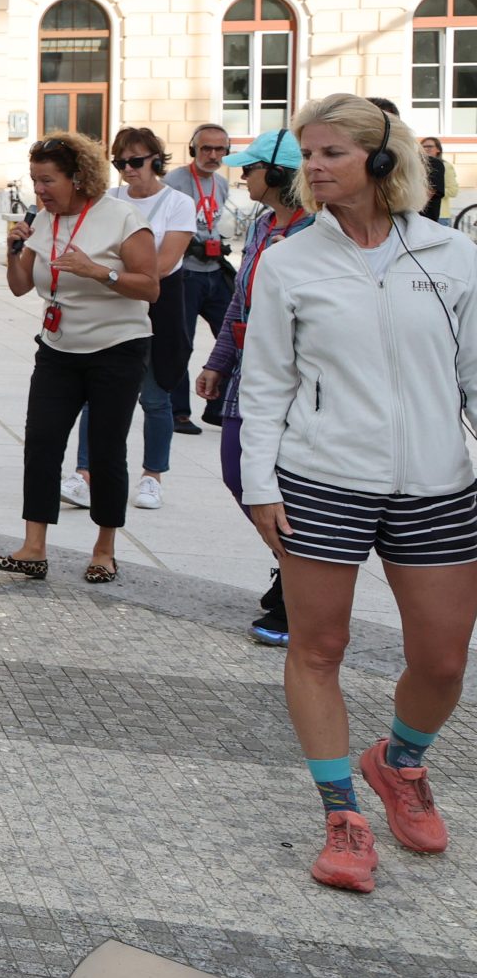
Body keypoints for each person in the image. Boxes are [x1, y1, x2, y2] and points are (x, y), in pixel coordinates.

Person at [236, 94, 477, 894]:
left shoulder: (450, 254)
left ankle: (399, 761)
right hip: (323, 480)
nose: (313, 166)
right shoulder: (290, 259)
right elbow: (265, 382)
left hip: (437, 484)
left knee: (443, 659)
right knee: (317, 648)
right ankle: (341, 812)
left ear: (381, 160)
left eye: (332, 152)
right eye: (308, 153)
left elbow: (473, 377)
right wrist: (260, 483)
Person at [0, 131, 162, 586]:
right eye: (35, 180)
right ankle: (34, 547)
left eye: (48, 180)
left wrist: (99, 271)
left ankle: (104, 550)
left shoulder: (121, 217)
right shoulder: (44, 220)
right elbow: (18, 286)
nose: (40, 190)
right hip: (57, 348)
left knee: (107, 449)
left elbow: (149, 286)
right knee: (42, 442)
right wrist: (13, 253)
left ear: (78, 177)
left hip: (117, 349)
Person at [193, 128, 312, 646]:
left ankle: (300, 592)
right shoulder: (264, 225)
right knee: (238, 471)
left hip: (294, 378)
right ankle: (293, 568)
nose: (241, 175)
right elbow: (239, 301)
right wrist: (218, 362)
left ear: (280, 174)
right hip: (248, 369)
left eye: (252, 167)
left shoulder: (316, 232)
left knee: (281, 483)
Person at [66, 129, 196, 513]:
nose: (127, 170)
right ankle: (83, 475)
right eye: (120, 162)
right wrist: (115, 269)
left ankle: (152, 476)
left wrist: (108, 267)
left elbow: (167, 263)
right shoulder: (109, 199)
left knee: (156, 397)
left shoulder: (178, 202)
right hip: (112, 302)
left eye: (135, 161)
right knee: (97, 394)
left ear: (156, 159)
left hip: (160, 302)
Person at [164, 124, 236, 429]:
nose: (213, 155)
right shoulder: (174, 182)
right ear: (193, 149)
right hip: (185, 273)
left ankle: (218, 406)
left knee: (233, 336)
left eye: (219, 149)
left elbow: (214, 221)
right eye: (206, 148)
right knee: (182, 341)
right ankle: (178, 411)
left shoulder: (221, 183)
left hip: (214, 271)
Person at [422, 135, 448, 222]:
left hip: (432, 212)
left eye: (429, 146)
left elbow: (453, 190)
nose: (426, 148)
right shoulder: (418, 165)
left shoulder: (439, 164)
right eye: (423, 146)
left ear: (438, 149)